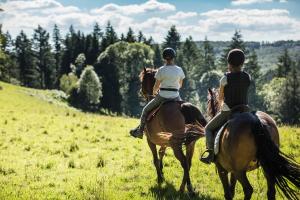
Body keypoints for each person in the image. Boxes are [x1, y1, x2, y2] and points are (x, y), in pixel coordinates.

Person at [200, 49, 251, 164]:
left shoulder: (225, 78)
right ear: (242, 63)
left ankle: (211, 154)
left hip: (229, 111)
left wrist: (222, 104)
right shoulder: (248, 77)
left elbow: (220, 98)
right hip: (245, 110)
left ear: (229, 63)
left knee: (208, 128)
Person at [130, 47, 185, 139]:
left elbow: (156, 86)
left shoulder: (161, 70)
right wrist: (174, 88)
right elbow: (180, 85)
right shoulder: (179, 69)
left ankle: (140, 131)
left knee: (145, 110)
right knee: (185, 111)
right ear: (173, 57)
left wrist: (155, 93)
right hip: (176, 96)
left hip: (163, 96)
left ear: (164, 58)